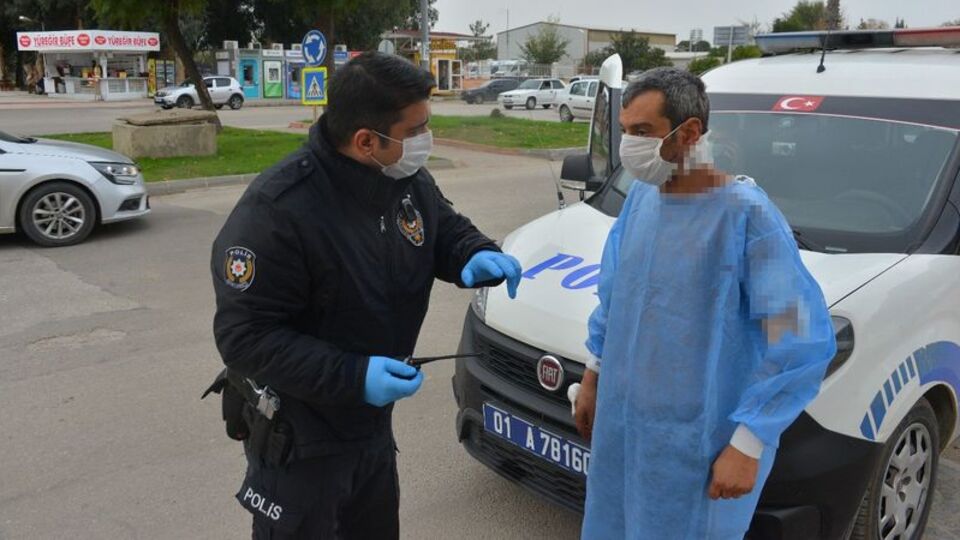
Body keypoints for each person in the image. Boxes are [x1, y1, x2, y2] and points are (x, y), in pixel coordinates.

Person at [210, 52, 522, 539]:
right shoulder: (278, 211)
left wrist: (472, 254)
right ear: (365, 141)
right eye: (417, 130)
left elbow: (440, 228)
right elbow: (245, 337)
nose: (426, 140)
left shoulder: (401, 177)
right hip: (302, 440)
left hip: (371, 430)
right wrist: (356, 375)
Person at [573, 67, 836, 539]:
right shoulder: (643, 200)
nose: (628, 146)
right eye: (625, 131)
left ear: (688, 132)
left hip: (698, 448)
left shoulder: (746, 219)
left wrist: (749, 443)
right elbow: (615, 299)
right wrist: (594, 376)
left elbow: (798, 343)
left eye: (641, 133)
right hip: (624, 432)